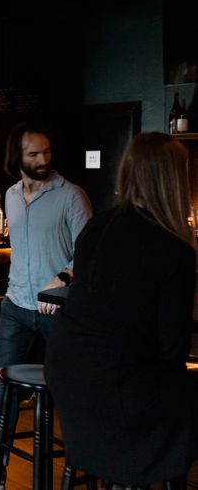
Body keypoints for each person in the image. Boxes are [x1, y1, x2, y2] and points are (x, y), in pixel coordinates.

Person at [45, 133, 197, 489]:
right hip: (122, 390)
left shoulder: (97, 228)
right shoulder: (175, 251)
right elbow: (172, 349)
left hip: (69, 379)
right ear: (175, 181)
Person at [0, 122, 92, 488]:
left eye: (47, 152)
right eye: (34, 154)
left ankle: (85, 459)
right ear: (17, 157)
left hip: (57, 310)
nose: (43, 159)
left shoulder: (71, 196)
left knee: (70, 388)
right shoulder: (11, 196)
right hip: (16, 305)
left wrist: (62, 279)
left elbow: (91, 253)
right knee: (4, 383)